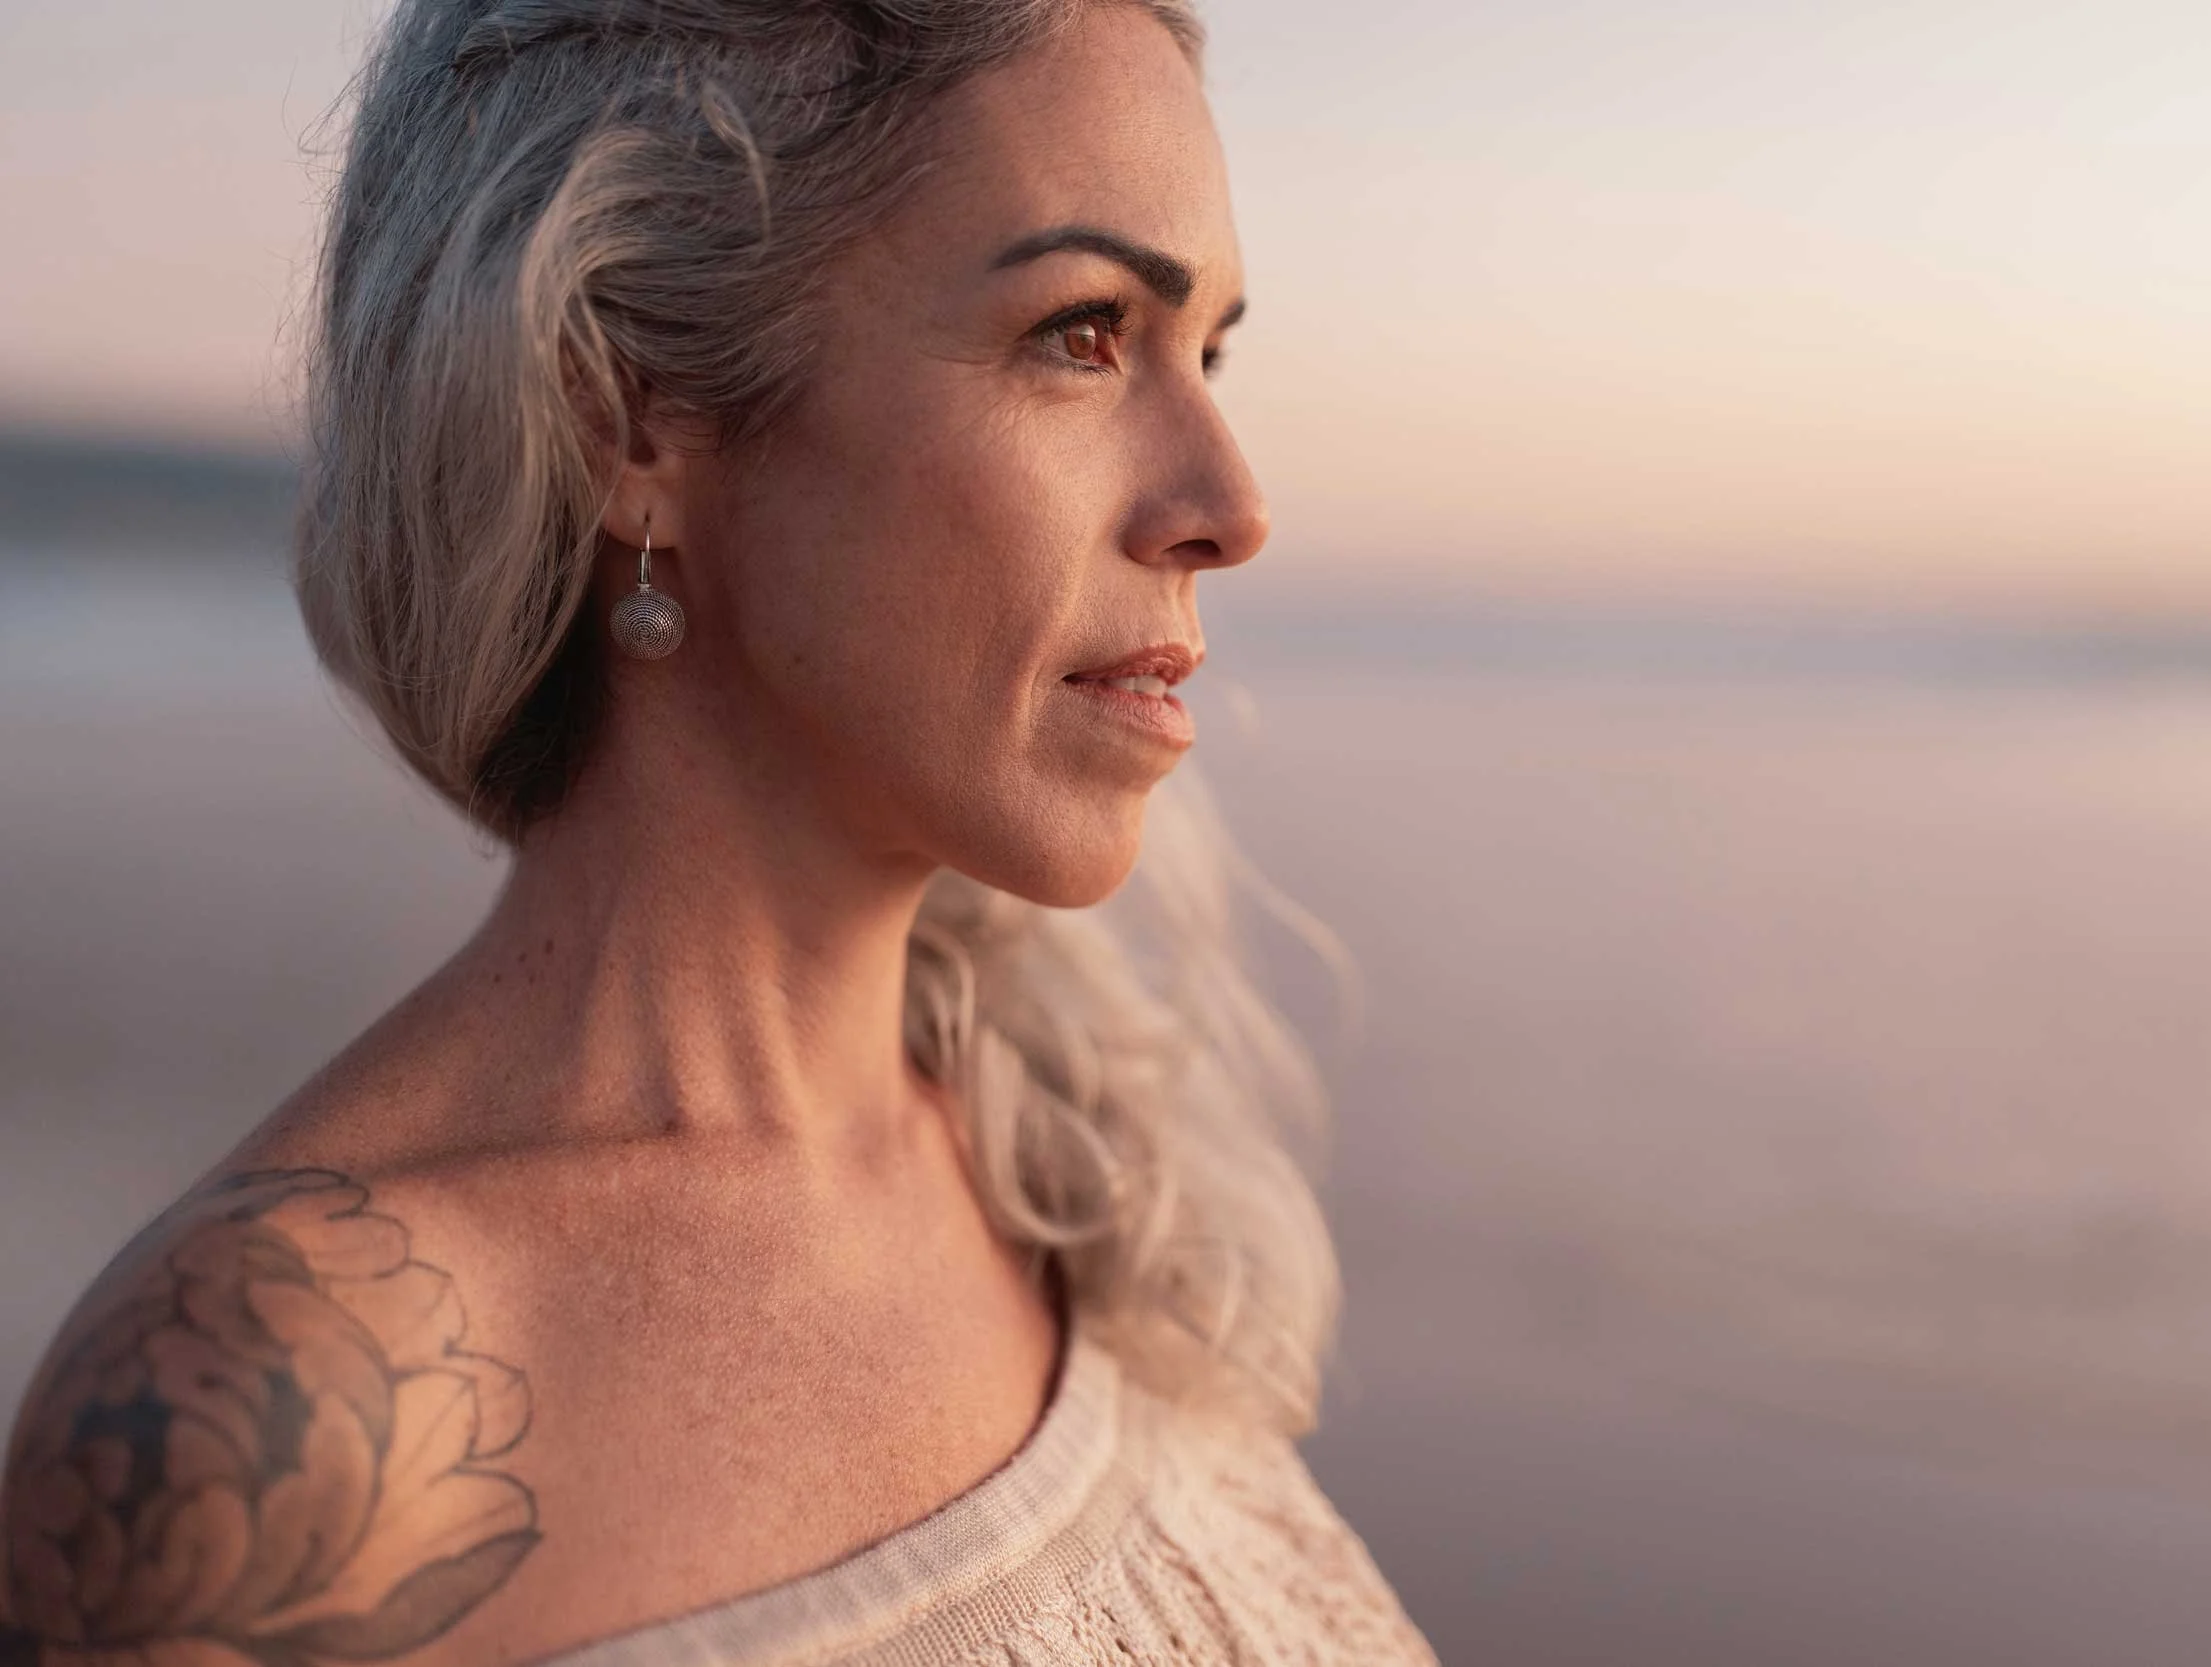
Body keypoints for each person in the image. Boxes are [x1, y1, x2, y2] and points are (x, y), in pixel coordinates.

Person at [0, 1, 1440, 1661]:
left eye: (1212, 351)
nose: (1233, 504)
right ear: (631, 411)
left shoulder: (1060, 1158)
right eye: (1083, 333)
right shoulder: (275, 1406)